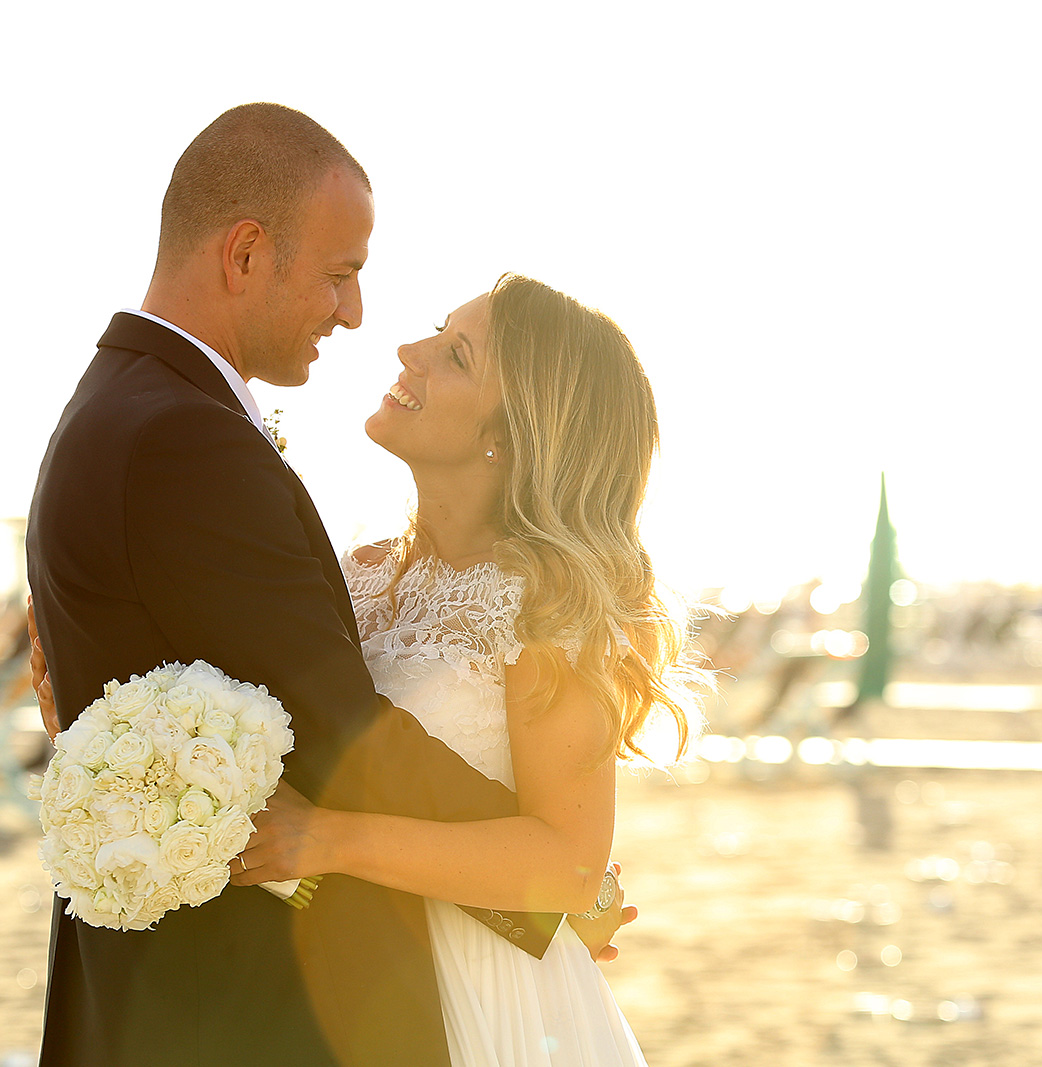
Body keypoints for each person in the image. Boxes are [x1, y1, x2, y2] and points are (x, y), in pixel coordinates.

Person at [25, 104, 631, 1067]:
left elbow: (292, 715)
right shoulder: (190, 439)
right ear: (246, 253)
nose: (369, 323)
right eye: (340, 276)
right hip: (243, 1000)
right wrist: (559, 888)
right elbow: (334, 724)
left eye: (456, 350)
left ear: (510, 435)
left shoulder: (135, 408)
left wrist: (554, 878)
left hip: (417, 991)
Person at [230, 274, 704, 1065]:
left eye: (453, 355)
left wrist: (328, 840)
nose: (407, 352)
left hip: (486, 992)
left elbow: (568, 862)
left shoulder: (549, 609)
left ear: (510, 436)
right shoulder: (357, 575)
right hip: (355, 972)